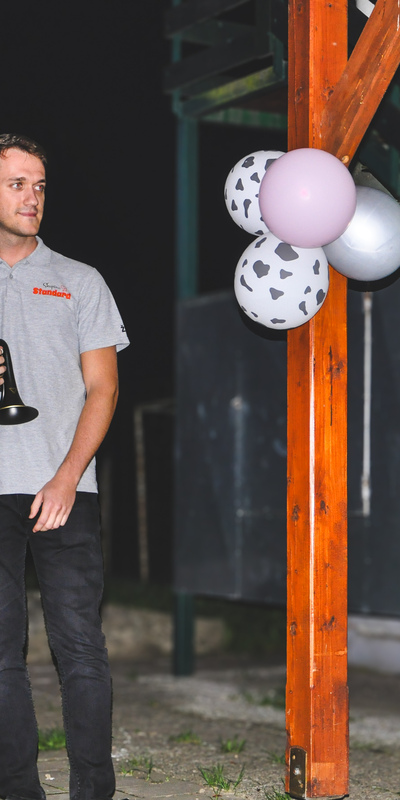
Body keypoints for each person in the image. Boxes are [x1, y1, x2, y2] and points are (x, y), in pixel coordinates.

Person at [0, 134, 129, 800]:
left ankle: (93, 792)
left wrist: (66, 475)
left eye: (40, 185)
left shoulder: (81, 280)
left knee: (80, 649)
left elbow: (104, 389)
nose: (33, 197)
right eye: (17, 184)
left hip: (66, 489)